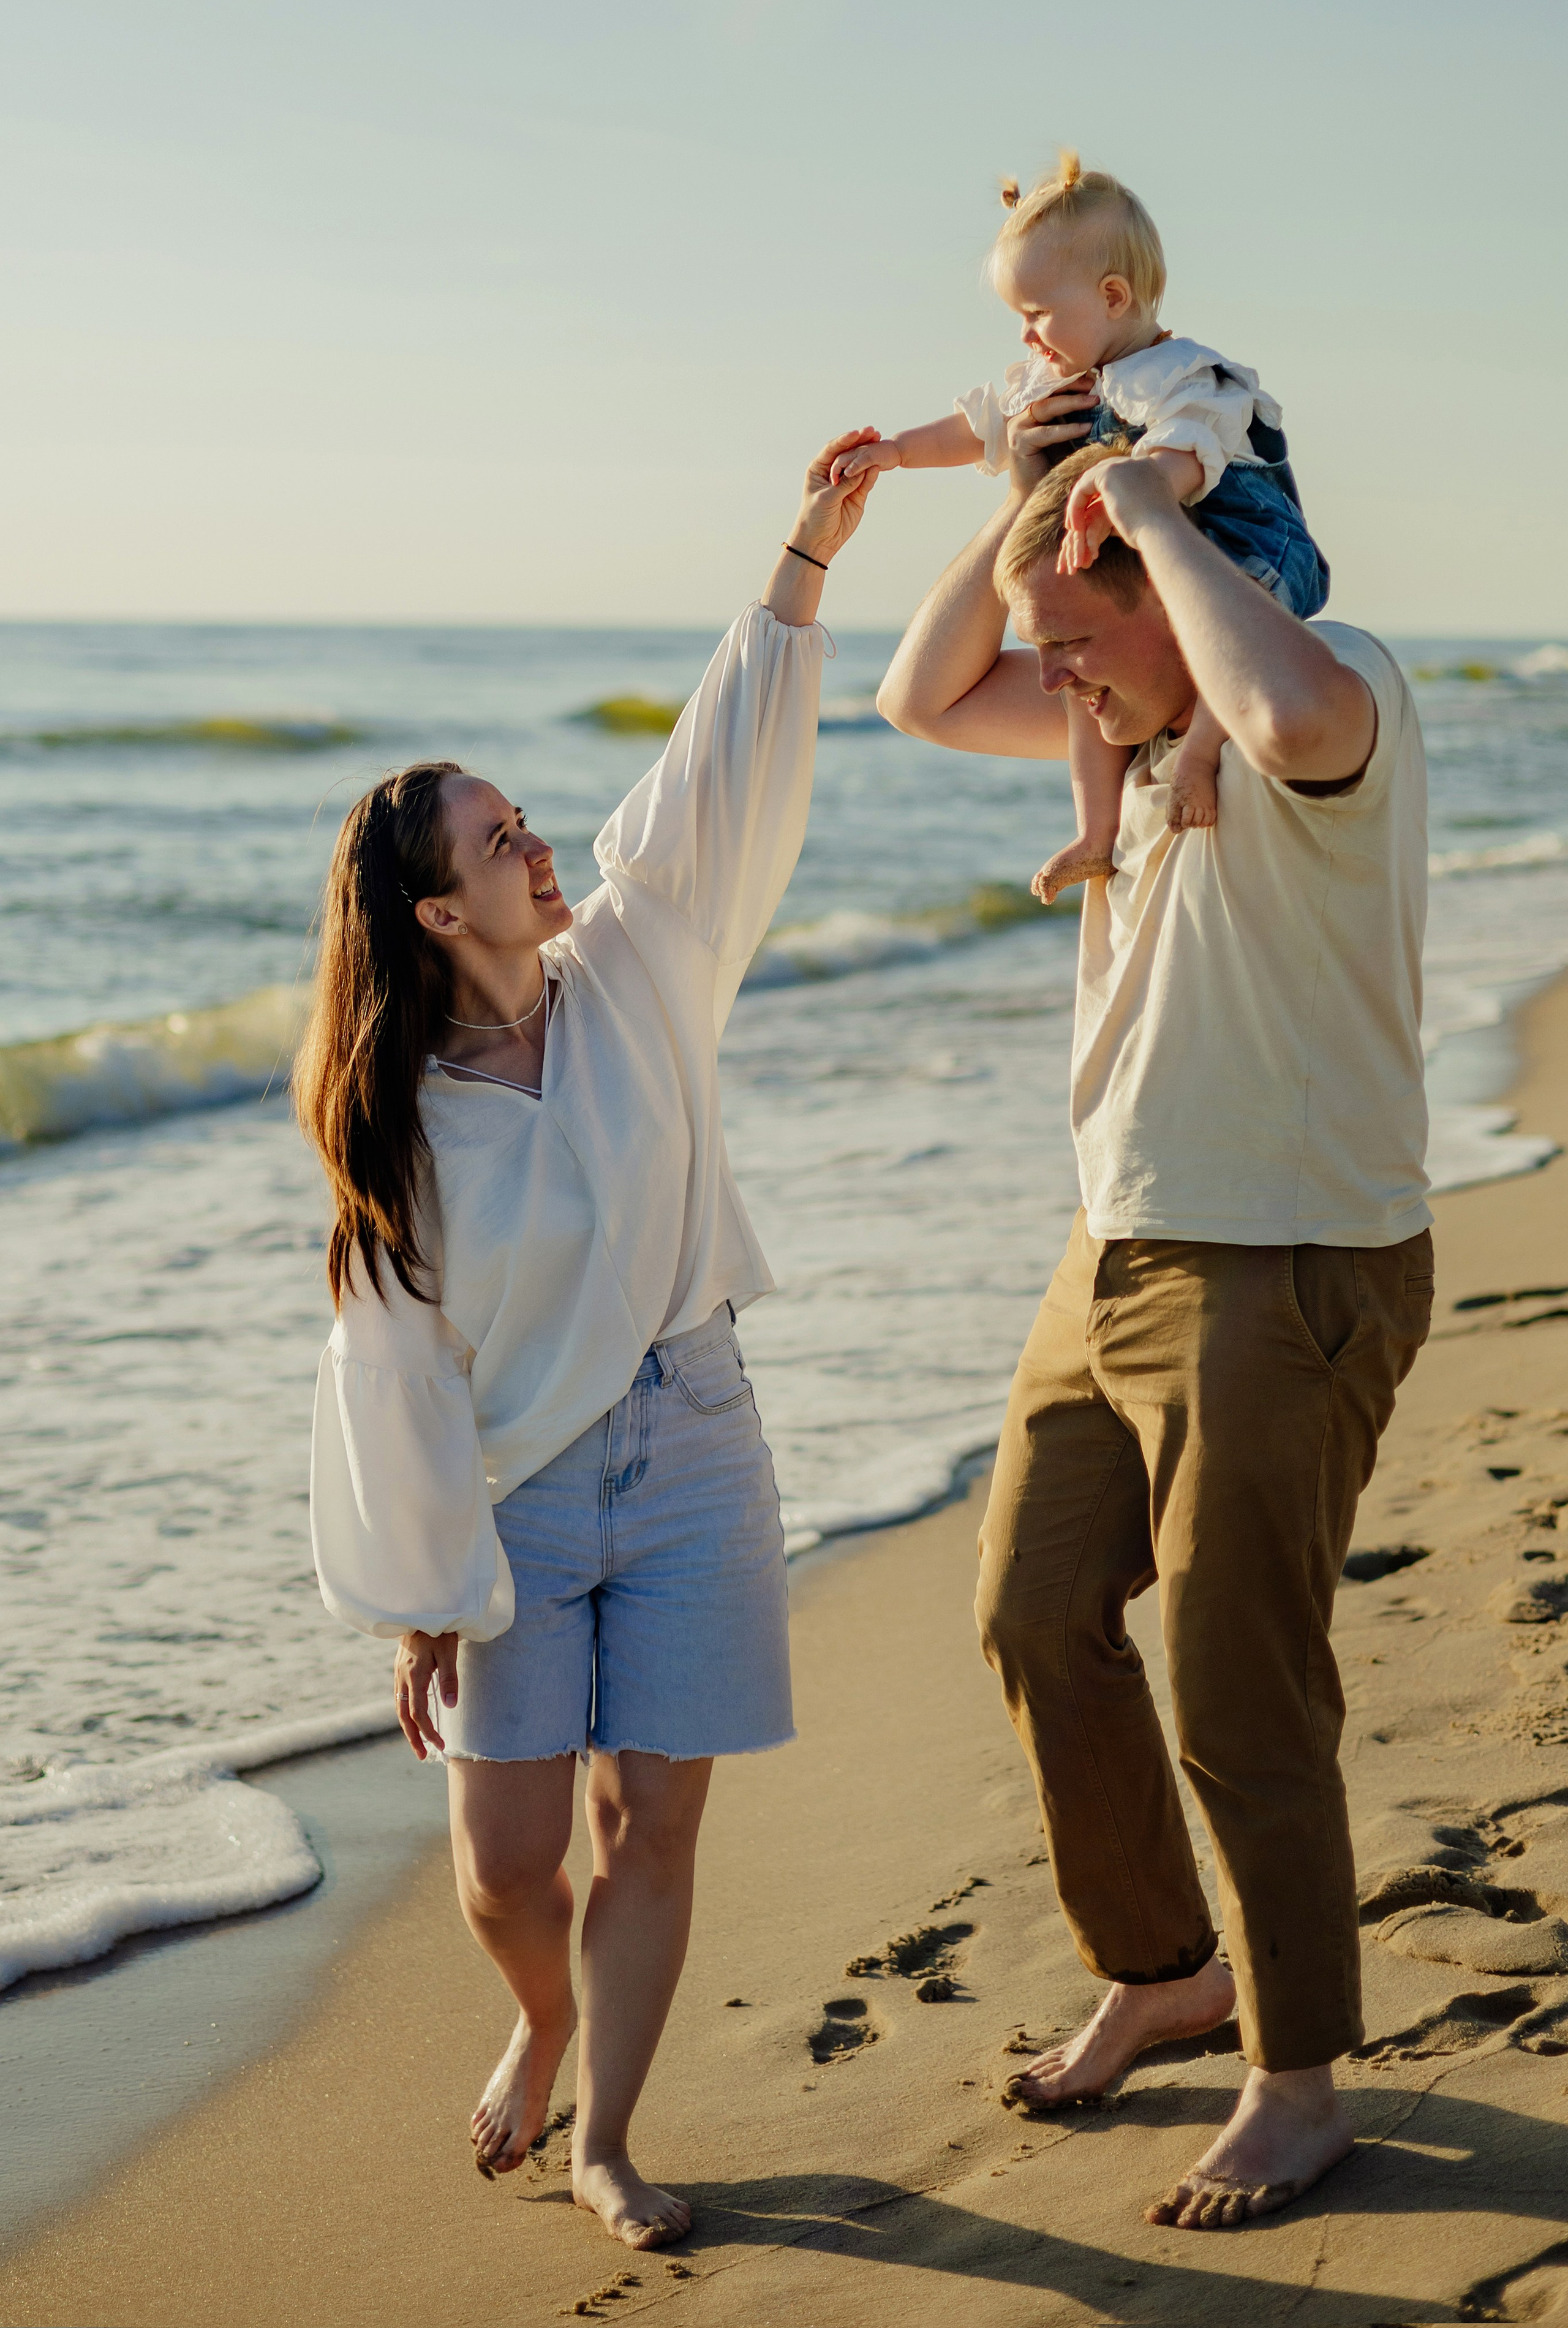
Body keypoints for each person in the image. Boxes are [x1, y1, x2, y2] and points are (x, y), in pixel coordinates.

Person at [294, 430, 881, 2251]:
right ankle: (539, 2017)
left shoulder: (643, 957)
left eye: (524, 818)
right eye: (498, 840)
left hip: (696, 1436)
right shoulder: (399, 1124)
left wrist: (804, 553)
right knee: (504, 1866)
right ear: (436, 910)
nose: (536, 843)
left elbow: (724, 756)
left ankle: (606, 2136)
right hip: (519, 1497)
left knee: (653, 1830)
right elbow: (391, 1370)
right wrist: (420, 1593)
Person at [876, 412, 1434, 2229]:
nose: (1048, 676)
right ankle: (1164, 1967)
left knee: (1232, 1679)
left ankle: (1296, 2074)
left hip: (1282, 1258)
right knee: (1035, 1613)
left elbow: (1273, 712)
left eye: (1073, 636)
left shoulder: (1324, 689)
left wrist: (1145, 515)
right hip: (1109, 1245)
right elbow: (914, 694)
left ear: (1171, 588)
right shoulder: (1122, 733)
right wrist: (1024, 515)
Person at [835, 149, 1329, 903]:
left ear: (1112, 295)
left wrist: (1132, 494)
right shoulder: (1056, 383)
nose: (1025, 336)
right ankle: (1096, 831)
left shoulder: (1185, 377)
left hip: (1236, 546)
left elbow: (1183, 456)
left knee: (1223, 641)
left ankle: (1201, 753)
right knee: (1076, 669)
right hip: (1128, 549)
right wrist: (899, 452)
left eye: (1036, 314)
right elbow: (977, 426)